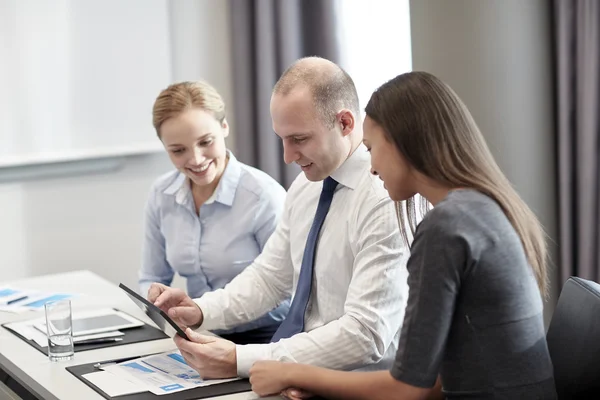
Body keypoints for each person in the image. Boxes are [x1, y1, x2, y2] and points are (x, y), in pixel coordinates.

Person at [248, 71, 558, 400]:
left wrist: (292, 371)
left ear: (405, 144)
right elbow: (437, 377)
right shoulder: (481, 208)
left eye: (371, 148)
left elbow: (408, 388)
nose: (371, 166)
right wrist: (317, 381)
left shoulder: (445, 227)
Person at [148, 57, 410, 379]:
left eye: (299, 139)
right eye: (282, 139)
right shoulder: (306, 186)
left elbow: (365, 334)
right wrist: (201, 310)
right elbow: (270, 278)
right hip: (301, 375)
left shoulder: (382, 199)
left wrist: (242, 359)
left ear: (345, 123)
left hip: (358, 383)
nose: (287, 157)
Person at [140, 80, 289, 344]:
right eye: (178, 150)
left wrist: (205, 314)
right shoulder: (162, 194)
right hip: (198, 333)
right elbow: (151, 277)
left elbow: (290, 294)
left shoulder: (263, 197)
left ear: (224, 127)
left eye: (205, 142)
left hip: (269, 339)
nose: (196, 159)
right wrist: (154, 298)